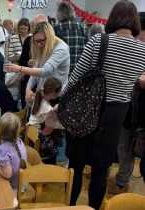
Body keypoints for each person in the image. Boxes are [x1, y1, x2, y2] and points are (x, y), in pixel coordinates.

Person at [63, 1, 145, 209]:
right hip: (117, 113)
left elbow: (75, 78)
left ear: (113, 18)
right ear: (134, 21)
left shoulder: (99, 41)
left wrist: (61, 100)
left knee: (76, 166)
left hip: (87, 108)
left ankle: (71, 207)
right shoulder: (142, 50)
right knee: (101, 168)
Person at [108, 11, 145, 195]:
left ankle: (122, 182)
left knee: (125, 146)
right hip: (120, 103)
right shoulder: (130, 47)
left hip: (134, 109)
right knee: (111, 140)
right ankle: (106, 170)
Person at [4, 21, 70, 104]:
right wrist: (28, 88)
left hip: (56, 96)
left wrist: (20, 68)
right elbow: (36, 68)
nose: (38, 44)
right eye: (36, 41)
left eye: (41, 41)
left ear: (49, 37)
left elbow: (45, 71)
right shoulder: (42, 48)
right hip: (43, 94)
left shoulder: (61, 49)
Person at [27, 77, 62, 165]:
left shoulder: (38, 97)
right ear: (53, 94)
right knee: (54, 151)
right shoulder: (47, 108)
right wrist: (56, 113)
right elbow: (53, 126)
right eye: (58, 92)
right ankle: (47, 172)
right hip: (38, 137)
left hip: (30, 132)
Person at [0, 112, 27, 195]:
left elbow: (7, 175)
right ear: (18, 130)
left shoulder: (3, 148)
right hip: (21, 184)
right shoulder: (19, 141)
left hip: (11, 189)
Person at [18, 14, 48, 109]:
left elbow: (46, 69)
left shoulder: (56, 44)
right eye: (37, 26)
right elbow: (21, 60)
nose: (39, 44)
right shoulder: (28, 41)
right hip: (30, 78)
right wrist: (27, 63)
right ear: (32, 27)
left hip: (45, 83)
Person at [53, 1, 89, 75]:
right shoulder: (83, 28)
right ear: (72, 12)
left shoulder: (55, 28)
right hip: (79, 72)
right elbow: (88, 50)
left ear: (58, 13)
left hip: (61, 72)